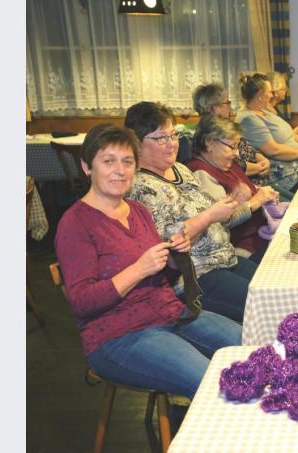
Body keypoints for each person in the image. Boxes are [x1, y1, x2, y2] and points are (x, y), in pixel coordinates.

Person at [54, 124, 242, 400]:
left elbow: (161, 279)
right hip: (118, 336)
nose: (120, 170)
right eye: (108, 161)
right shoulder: (76, 223)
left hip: (170, 314)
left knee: (251, 347)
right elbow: (82, 302)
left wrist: (174, 262)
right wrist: (139, 269)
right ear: (87, 167)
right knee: (213, 386)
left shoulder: (138, 211)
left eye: (127, 161)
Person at [125, 101, 257, 324]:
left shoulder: (181, 169)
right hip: (198, 275)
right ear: (137, 143)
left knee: (274, 287)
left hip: (225, 257)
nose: (171, 145)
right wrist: (211, 215)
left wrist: (233, 202)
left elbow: (210, 211)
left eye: (173, 136)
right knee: (263, 306)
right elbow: (168, 245)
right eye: (160, 138)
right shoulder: (140, 187)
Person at [187, 115, 279, 258]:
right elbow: (223, 220)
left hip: (261, 232)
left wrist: (261, 193)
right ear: (210, 143)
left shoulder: (225, 165)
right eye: (232, 147)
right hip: (244, 244)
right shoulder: (201, 173)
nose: (236, 153)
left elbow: (241, 190)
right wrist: (255, 202)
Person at [235, 72, 298, 198]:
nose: (272, 95)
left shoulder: (264, 111)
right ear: (260, 95)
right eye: (269, 92)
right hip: (286, 175)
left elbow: (290, 133)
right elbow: (273, 151)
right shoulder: (248, 118)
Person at [192, 82, 271, 184]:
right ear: (215, 108)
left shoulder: (227, 127)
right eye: (227, 103)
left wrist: (263, 160)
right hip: (245, 185)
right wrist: (260, 167)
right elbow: (234, 165)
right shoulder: (208, 133)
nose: (230, 108)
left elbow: (248, 149)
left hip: (257, 181)